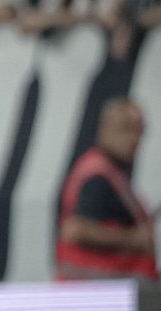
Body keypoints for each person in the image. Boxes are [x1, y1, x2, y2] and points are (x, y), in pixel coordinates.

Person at [56, 98, 157, 281]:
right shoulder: (97, 176)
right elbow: (75, 230)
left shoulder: (113, 173)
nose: (134, 139)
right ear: (104, 130)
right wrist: (133, 239)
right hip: (96, 295)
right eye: (125, 129)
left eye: (140, 130)